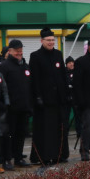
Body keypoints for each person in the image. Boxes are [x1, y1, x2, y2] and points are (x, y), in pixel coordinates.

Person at [28, 28, 69, 166]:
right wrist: (37, 96)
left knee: (59, 128)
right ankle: (43, 156)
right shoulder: (35, 56)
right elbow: (34, 79)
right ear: (42, 41)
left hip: (58, 100)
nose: (51, 42)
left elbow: (63, 75)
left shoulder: (58, 54)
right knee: (45, 130)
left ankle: (60, 154)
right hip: (44, 101)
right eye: (48, 40)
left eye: (53, 40)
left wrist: (66, 94)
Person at [0, 39, 32, 171]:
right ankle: (7, 159)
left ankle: (18, 157)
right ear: (10, 51)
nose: (19, 52)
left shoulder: (25, 66)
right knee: (8, 134)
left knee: (21, 133)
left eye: (21, 50)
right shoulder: (4, 66)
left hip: (23, 107)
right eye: (17, 50)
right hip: (10, 108)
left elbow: (29, 86)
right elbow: (1, 88)